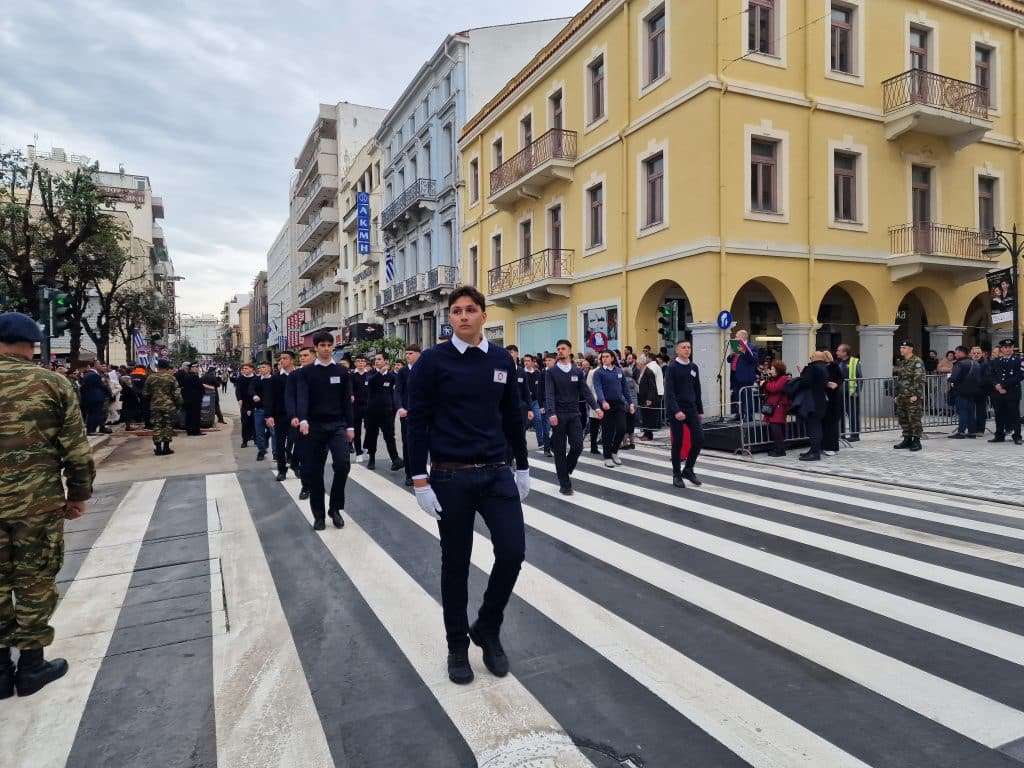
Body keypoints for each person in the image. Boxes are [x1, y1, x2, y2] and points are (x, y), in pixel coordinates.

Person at [407, 286, 529, 685]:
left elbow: (512, 413)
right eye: (456, 311)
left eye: (470, 310)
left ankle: (487, 626)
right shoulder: (432, 361)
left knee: (512, 552)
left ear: (483, 315)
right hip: (450, 476)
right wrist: (419, 479)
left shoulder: (500, 360)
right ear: (450, 317)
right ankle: (457, 646)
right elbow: (417, 422)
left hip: (496, 472)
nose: (462, 316)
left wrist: (523, 466)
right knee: (455, 565)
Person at [0, 313, 95, 698]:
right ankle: (32, 665)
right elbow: (75, 448)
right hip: (36, 504)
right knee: (35, 580)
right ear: (33, 344)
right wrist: (78, 494)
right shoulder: (52, 382)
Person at [295, 333, 355, 531]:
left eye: (330, 345)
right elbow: (302, 397)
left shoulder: (342, 371)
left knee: (343, 465)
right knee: (315, 472)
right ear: (316, 348)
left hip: (337, 425)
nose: (327, 348)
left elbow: (347, 401)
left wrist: (350, 426)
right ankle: (318, 515)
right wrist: (303, 419)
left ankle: (335, 508)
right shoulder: (306, 372)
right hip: (314, 426)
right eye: (323, 345)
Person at [544, 340, 600, 494]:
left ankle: (566, 469)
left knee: (578, 446)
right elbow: (549, 394)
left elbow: (586, 392)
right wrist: (551, 413)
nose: (560, 351)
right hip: (559, 416)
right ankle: (565, 484)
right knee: (560, 450)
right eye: (558, 349)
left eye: (563, 348)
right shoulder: (551, 372)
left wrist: (596, 407)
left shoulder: (577, 372)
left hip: (574, 414)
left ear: (569, 351)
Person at [663, 339, 705, 487]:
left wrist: (700, 409)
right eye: (684, 347)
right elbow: (669, 392)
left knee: (699, 438)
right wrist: (676, 411)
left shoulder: (694, 367)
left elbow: (697, 389)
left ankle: (688, 468)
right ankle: (676, 475)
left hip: (692, 408)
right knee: (678, 442)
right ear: (677, 350)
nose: (687, 349)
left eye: (689, 347)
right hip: (677, 410)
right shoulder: (672, 368)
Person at [592, 350, 635, 468]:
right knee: (608, 431)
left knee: (622, 428)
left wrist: (631, 403)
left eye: (607, 357)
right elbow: (598, 388)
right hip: (605, 405)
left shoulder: (619, 371)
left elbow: (625, 389)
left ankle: (614, 451)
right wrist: (603, 401)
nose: (604, 359)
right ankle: (607, 456)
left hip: (618, 404)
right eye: (602, 357)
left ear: (612, 358)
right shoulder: (598, 373)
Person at [363, 353, 403, 472]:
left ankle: (395, 459)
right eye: (375, 359)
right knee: (372, 435)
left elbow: (394, 392)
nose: (377, 361)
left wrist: (394, 407)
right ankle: (372, 458)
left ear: (385, 361)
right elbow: (370, 382)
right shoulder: (370, 374)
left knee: (389, 436)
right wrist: (379, 373)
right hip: (372, 410)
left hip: (387, 411)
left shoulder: (391, 377)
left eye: (379, 359)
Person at [263, 351, 299, 481]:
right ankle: (282, 470)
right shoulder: (275, 378)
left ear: (292, 360)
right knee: (279, 443)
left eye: (285, 358)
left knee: (299, 442)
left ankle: (295, 464)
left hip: (297, 416)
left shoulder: (299, 375)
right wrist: (269, 415)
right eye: (280, 359)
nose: (282, 361)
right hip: (280, 415)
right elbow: (269, 398)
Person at [286, 347, 315, 499]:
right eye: (300, 356)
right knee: (305, 454)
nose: (302, 358)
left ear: (314, 356)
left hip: (321, 421)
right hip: (301, 420)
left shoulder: (321, 373)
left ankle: (315, 483)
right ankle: (306, 486)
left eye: (305, 355)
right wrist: (293, 415)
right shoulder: (295, 375)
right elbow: (289, 397)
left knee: (317, 457)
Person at [792, 352, 829, 461]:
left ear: (814, 358)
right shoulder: (824, 367)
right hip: (820, 401)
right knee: (816, 427)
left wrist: (802, 373)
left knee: (814, 428)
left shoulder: (812, 368)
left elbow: (805, 382)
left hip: (811, 401)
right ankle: (813, 450)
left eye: (811, 356)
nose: (810, 357)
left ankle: (815, 453)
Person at [145, 359, 184, 456]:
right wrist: (179, 405)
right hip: (168, 405)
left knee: (157, 425)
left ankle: (158, 448)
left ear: (158, 366)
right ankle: (166, 448)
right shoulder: (171, 378)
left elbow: (145, 393)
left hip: (155, 406)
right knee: (167, 425)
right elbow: (177, 394)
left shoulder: (151, 377)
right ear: (167, 367)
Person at [395, 343, 421, 486]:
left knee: (424, 444)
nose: (407, 356)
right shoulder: (403, 372)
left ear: (419, 354)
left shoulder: (426, 369)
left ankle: (423, 471)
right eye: (406, 354)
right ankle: (409, 474)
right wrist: (399, 407)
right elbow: (397, 391)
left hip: (423, 413)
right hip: (407, 413)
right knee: (408, 444)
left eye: (410, 353)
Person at [893, 339, 925, 452]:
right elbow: (899, 380)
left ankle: (916, 441)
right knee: (903, 419)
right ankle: (907, 439)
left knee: (914, 419)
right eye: (901, 347)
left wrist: (916, 394)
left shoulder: (917, 362)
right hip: (902, 396)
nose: (902, 349)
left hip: (912, 396)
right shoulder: (903, 363)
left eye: (904, 348)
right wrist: (896, 394)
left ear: (911, 349)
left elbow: (919, 379)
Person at [989, 338, 1023, 444]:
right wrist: (996, 385)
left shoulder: (1019, 360)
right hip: (998, 392)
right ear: (1001, 349)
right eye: (1005, 347)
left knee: (1014, 414)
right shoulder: (996, 361)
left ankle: (1017, 436)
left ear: (1013, 348)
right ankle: (999, 435)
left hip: (1012, 392)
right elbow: (992, 375)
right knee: (999, 414)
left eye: (1010, 347)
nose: (1007, 349)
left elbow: (1019, 376)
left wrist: (1003, 385)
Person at [759, 360, 792, 456]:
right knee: (775, 428)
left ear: (778, 369)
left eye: (772, 369)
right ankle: (778, 448)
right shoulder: (775, 378)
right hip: (774, 406)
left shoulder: (783, 378)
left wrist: (765, 384)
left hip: (779, 406)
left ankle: (780, 450)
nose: (770, 371)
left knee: (776, 428)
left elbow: (775, 388)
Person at [948, 346, 981, 439]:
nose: (955, 354)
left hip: (961, 391)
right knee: (970, 412)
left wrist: (949, 378)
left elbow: (954, 377)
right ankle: (972, 432)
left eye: (956, 352)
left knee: (962, 411)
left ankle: (961, 432)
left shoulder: (959, 364)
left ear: (961, 353)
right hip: (973, 391)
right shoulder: (975, 363)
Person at [727, 329, 759, 420]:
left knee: (746, 396)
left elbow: (754, 360)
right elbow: (729, 360)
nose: (735, 338)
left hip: (746, 376)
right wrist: (731, 354)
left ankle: (748, 415)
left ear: (743, 337)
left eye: (737, 336)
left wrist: (744, 352)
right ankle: (738, 414)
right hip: (734, 375)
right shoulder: (736, 347)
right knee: (737, 395)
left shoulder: (752, 347)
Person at [524, 355, 549, 455]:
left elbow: (542, 387)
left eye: (528, 361)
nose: (526, 362)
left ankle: (541, 442)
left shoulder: (538, 373)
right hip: (524, 402)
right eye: (525, 361)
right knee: (524, 424)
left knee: (538, 420)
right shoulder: (521, 373)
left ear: (533, 362)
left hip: (535, 401)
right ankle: (522, 444)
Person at [835, 344, 862, 441]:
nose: (837, 352)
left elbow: (859, 377)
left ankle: (855, 435)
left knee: (853, 414)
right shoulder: (837, 362)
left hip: (851, 394)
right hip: (839, 393)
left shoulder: (854, 362)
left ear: (845, 352)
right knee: (840, 414)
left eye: (838, 350)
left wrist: (857, 391)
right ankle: (841, 434)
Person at [79, 360, 111, 435]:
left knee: (93, 414)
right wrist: (109, 393)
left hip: (91, 397)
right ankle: (91, 430)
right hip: (95, 398)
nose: (100, 366)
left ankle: (92, 429)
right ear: (95, 365)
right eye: (99, 364)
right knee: (94, 414)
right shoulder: (93, 375)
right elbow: (102, 386)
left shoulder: (88, 374)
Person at [821, 351, 843, 456]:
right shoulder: (821, 367)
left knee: (831, 423)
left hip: (833, 398)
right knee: (825, 423)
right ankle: (824, 445)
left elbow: (840, 378)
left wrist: (835, 384)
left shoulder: (834, 366)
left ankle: (832, 447)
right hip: (824, 397)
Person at [350, 356, 371, 463]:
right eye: (358, 361)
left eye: (362, 361)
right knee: (356, 430)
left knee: (370, 428)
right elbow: (348, 388)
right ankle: (358, 452)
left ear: (365, 363)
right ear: (355, 363)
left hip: (368, 405)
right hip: (356, 406)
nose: (361, 363)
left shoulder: (369, 375)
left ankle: (366, 445)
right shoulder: (352, 375)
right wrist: (351, 395)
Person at [252, 361, 274, 459]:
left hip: (272, 411)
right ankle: (261, 450)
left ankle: (276, 453)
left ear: (269, 369)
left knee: (273, 432)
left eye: (264, 367)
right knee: (259, 432)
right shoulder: (256, 380)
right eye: (260, 367)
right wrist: (254, 395)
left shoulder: (274, 380)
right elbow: (251, 389)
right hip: (259, 410)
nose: (261, 369)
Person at [234, 363, 258, 448]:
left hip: (254, 403)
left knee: (255, 422)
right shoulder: (241, 378)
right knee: (244, 422)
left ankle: (256, 439)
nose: (244, 370)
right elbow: (238, 390)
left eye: (246, 368)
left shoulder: (256, 378)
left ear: (252, 369)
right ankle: (244, 440)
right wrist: (239, 399)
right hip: (244, 403)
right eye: (243, 368)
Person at [180, 363, 206, 437]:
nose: (197, 368)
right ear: (191, 368)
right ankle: (195, 431)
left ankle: (190, 431)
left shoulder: (186, 376)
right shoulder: (194, 377)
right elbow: (200, 387)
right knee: (195, 416)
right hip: (195, 400)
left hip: (188, 399)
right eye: (196, 367)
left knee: (189, 415)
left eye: (198, 367)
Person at [636, 357, 659, 440]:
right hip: (642, 397)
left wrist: (649, 399)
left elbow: (652, 387)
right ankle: (645, 433)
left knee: (648, 417)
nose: (637, 365)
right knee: (644, 416)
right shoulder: (642, 372)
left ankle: (648, 435)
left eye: (637, 364)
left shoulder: (649, 372)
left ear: (641, 364)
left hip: (647, 399)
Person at [970, 346, 991, 437]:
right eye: (974, 353)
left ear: (981, 354)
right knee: (970, 410)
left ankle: (980, 429)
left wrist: (976, 384)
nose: (976, 355)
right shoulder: (969, 363)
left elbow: (986, 378)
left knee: (980, 411)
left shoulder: (985, 364)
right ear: (971, 354)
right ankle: (972, 428)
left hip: (981, 391)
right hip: (970, 391)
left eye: (978, 353)